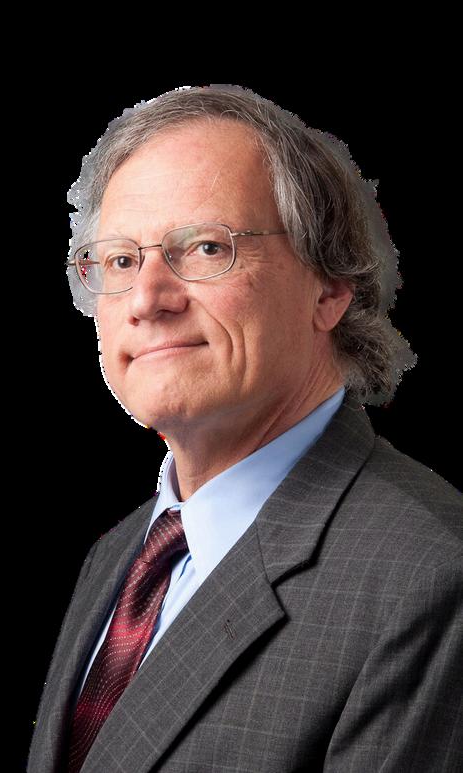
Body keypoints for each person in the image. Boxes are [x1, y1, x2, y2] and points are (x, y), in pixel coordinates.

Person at [27, 84, 462, 773]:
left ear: (329, 286)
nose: (147, 299)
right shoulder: (117, 557)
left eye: (206, 247)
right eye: (121, 260)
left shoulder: (428, 574)